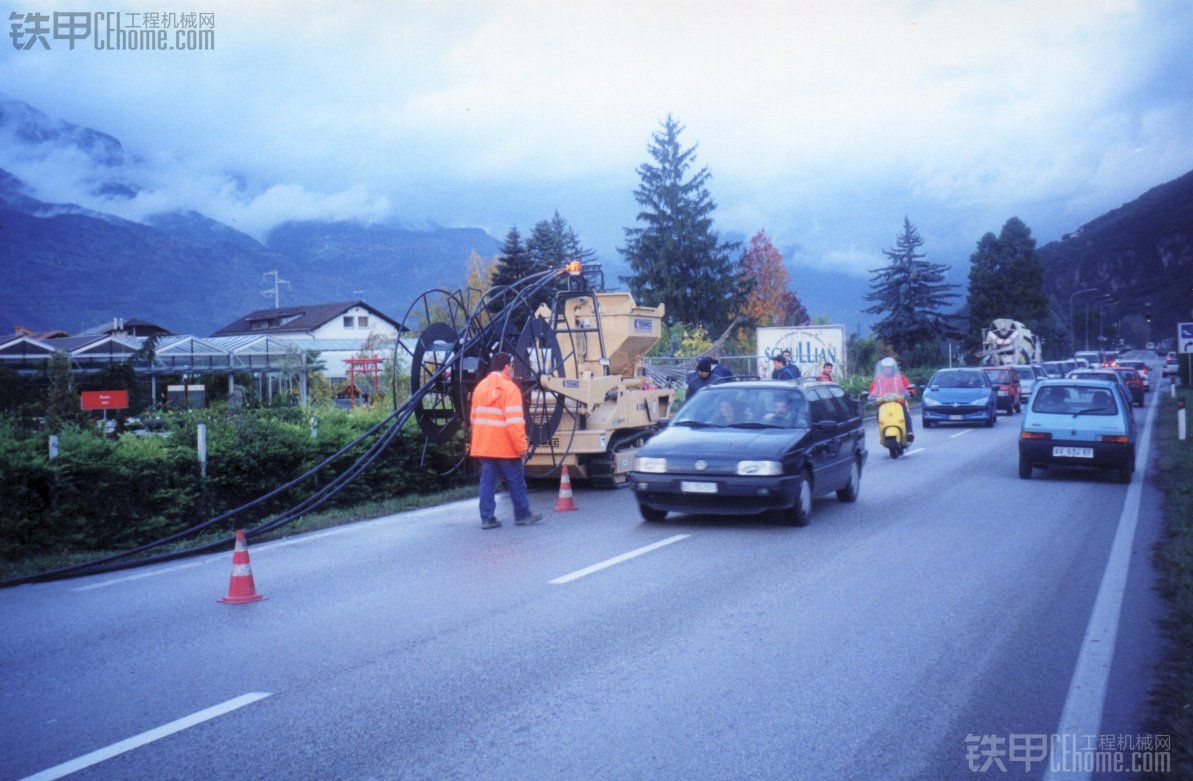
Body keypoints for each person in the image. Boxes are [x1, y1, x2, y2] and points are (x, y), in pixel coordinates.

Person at [469, 352, 542, 529]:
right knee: (516, 480)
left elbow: (473, 418)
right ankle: (522, 514)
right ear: (506, 367)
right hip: (505, 447)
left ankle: (487, 518)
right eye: (511, 366)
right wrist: (522, 447)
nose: (512, 369)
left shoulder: (480, 388)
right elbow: (515, 422)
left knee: (487, 482)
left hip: (484, 446)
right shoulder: (510, 390)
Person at [868, 356, 914, 440]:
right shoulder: (878, 380)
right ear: (882, 369)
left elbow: (908, 387)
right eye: (885, 368)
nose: (887, 370)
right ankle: (882, 431)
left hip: (898, 402)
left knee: (905, 412)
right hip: (883, 403)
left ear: (893, 368)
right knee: (878, 414)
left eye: (889, 368)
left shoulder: (900, 378)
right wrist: (870, 396)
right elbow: (872, 390)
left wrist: (910, 392)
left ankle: (909, 432)